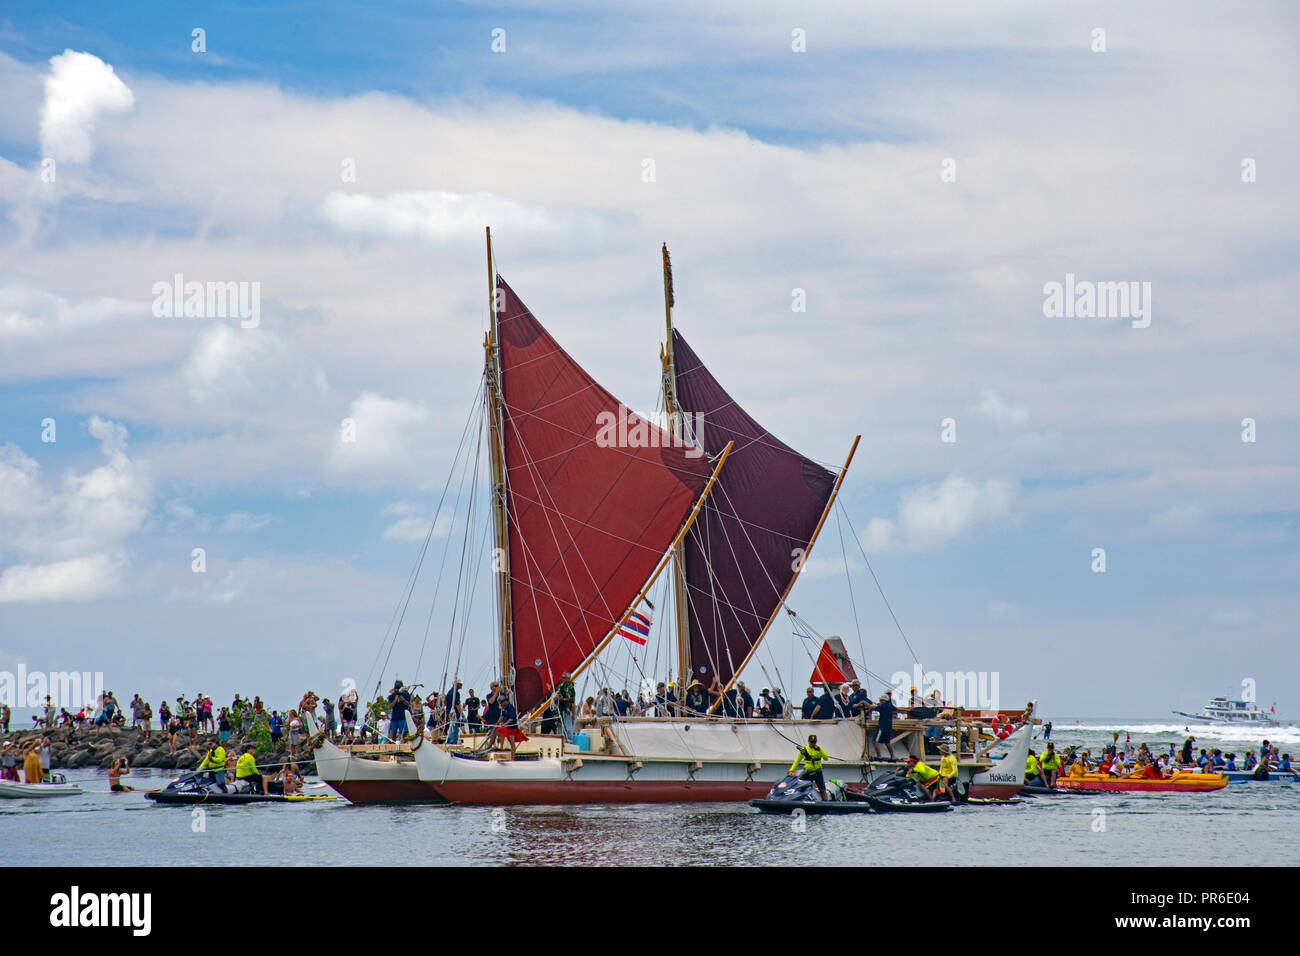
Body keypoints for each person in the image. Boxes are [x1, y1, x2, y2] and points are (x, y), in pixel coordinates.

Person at [789, 734, 831, 801]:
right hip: (808, 773)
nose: (813, 744)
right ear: (808, 742)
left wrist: (820, 750)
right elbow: (797, 761)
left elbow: (826, 758)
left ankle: (825, 803)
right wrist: (791, 770)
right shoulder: (804, 750)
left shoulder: (819, 749)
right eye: (811, 742)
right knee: (805, 789)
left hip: (817, 772)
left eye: (814, 742)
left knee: (822, 790)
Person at [868, 692, 897, 759]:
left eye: (881, 700)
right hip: (889, 726)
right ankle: (892, 756)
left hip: (882, 727)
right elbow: (895, 708)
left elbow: (870, 707)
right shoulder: (890, 705)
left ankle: (879, 756)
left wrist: (862, 702)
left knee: (874, 741)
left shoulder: (882, 706)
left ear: (884, 700)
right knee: (887, 742)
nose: (880, 702)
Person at [555, 673, 576, 741]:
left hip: (567, 709)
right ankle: (559, 739)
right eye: (563, 678)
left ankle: (570, 739)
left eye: (565, 678)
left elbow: (573, 698)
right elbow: (557, 694)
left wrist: (564, 699)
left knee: (568, 725)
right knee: (559, 724)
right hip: (560, 708)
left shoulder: (571, 688)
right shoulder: (560, 687)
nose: (563, 679)